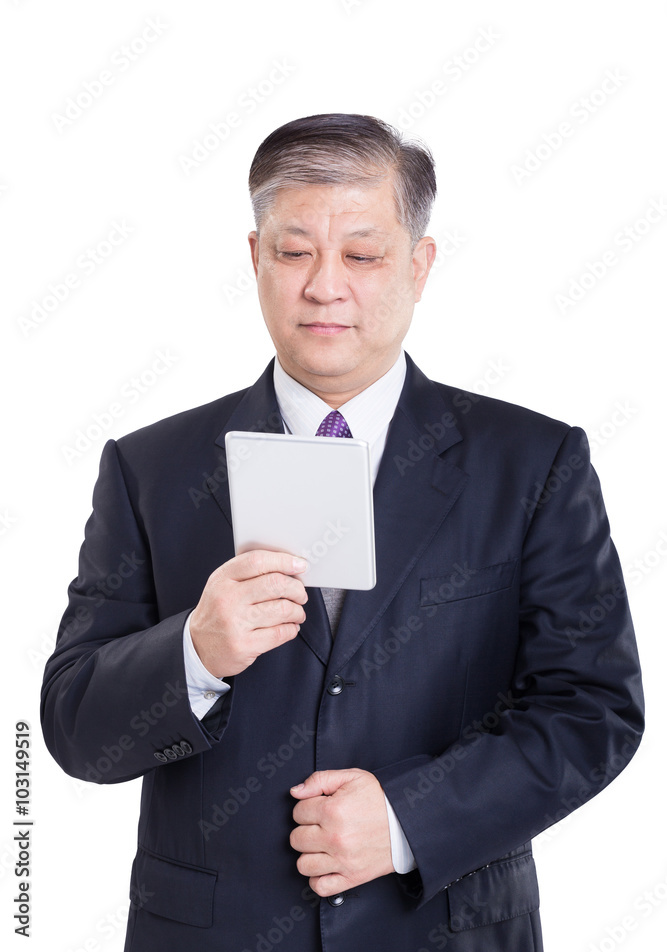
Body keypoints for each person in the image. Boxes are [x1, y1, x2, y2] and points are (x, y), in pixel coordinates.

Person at [41, 113, 644, 952]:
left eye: (362, 255)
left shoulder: (532, 463)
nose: (325, 286)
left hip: (445, 928)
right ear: (255, 258)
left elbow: (592, 711)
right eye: (294, 253)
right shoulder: (152, 468)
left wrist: (408, 818)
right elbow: (74, 730)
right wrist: (194, 650)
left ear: (418, 265)